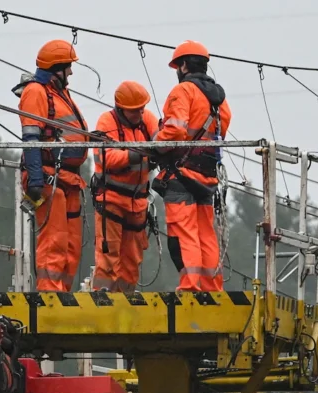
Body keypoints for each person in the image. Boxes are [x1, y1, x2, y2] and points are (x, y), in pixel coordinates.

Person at [153, 40, 232, 292]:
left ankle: (190, 287)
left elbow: (175, 129)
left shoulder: (183, 91)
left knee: (184, 232)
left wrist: (154, 145)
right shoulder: (219, 99)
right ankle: (211, 287)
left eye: (178, 65)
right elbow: (222, 131)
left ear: (184, 65)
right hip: (207, 176)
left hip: (181, 173)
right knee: (206, 234)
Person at [13, 39, 89, 292]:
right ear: (57, 68)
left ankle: (62, 296)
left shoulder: (59, 92)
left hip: (68, 179)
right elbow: (31, 138)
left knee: (71, 246)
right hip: (47, 176)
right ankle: (50, 294)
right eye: (68, 66)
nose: (71, 72)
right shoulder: (36, 92)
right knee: (53, 241)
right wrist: (35, 181)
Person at [90, 81, 159, 292]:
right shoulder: (106, 122)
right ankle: (101, 304)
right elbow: (106, 157)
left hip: (137, 203)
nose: (140, 112)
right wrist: (138, 155)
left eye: (142, 108)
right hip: (111, 200)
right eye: (135, 110)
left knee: (131, 261)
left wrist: (160, 151)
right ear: (121, 109)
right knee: (108, 257)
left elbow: (161, 142)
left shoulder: (146, 118)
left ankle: (124, 306)